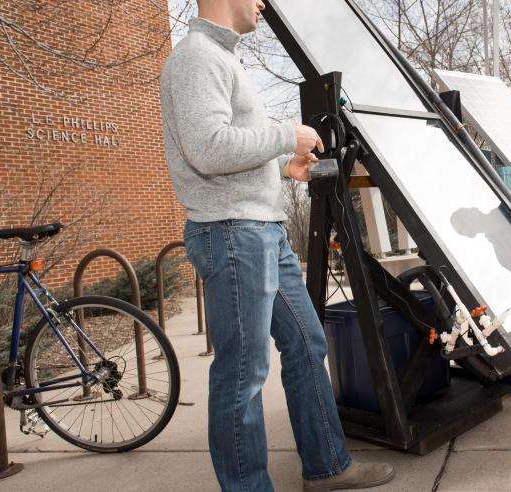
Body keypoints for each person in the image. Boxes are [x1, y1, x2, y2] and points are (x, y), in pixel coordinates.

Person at [160, 1, 395, 489]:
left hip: (260, 229)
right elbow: (207, 148)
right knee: (243, 375)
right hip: (232, 234)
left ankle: (328, 466)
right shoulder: (197, 57)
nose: (262, 4)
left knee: (307, 341)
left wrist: (280, 168)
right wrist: (286, 135)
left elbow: (228, 147)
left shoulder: (222, 57)